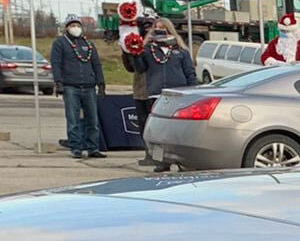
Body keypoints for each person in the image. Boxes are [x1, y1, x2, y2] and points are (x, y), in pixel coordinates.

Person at [123, 29, 198, 172]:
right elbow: (140, 68)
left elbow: (190, 73)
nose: (161, 36)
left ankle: (185, 160)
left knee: (179, 131)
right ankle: (160, 161)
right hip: (156, 95)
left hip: (179, 95)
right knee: (158, 132)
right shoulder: (147, 51)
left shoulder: (181, 52)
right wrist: (135, 54)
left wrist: (193, 92)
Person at [49, 16, 106, 162]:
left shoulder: (88, 44)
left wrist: (101, 83)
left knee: (92, 120)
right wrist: (58, 82)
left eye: (77, 25)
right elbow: (56, 63)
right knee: (73, 119)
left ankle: (93, 147)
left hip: (89, 87)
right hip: (70, 86)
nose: (75, 28)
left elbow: (96, 64)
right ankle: (76, 147)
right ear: (67, 27)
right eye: (72, 25)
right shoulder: (60, 43)